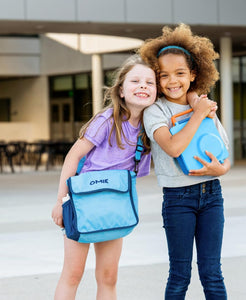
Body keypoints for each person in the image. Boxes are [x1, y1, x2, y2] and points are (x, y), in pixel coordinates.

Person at [51, 54, 157, 300]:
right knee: (73, 274)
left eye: (150, 83)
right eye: (135, 81)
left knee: (109, 277)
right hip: (82, 204)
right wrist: (60, 201)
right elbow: (72, 157)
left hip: (114, 206)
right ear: (120, 91)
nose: (143, 86)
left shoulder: (149, 128)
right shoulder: (107, 120)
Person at [138, 23, 230, 299]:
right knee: (180, 275)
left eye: (180, 73)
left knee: (212, 273)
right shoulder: (155, 111)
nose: (172, 81)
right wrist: (198, 113)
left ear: (193, 74)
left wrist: (221, 169)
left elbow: (223, 153)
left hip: (212, 195)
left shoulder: (201, 104)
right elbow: (174, 148)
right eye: (163, 75)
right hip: (178, 199)